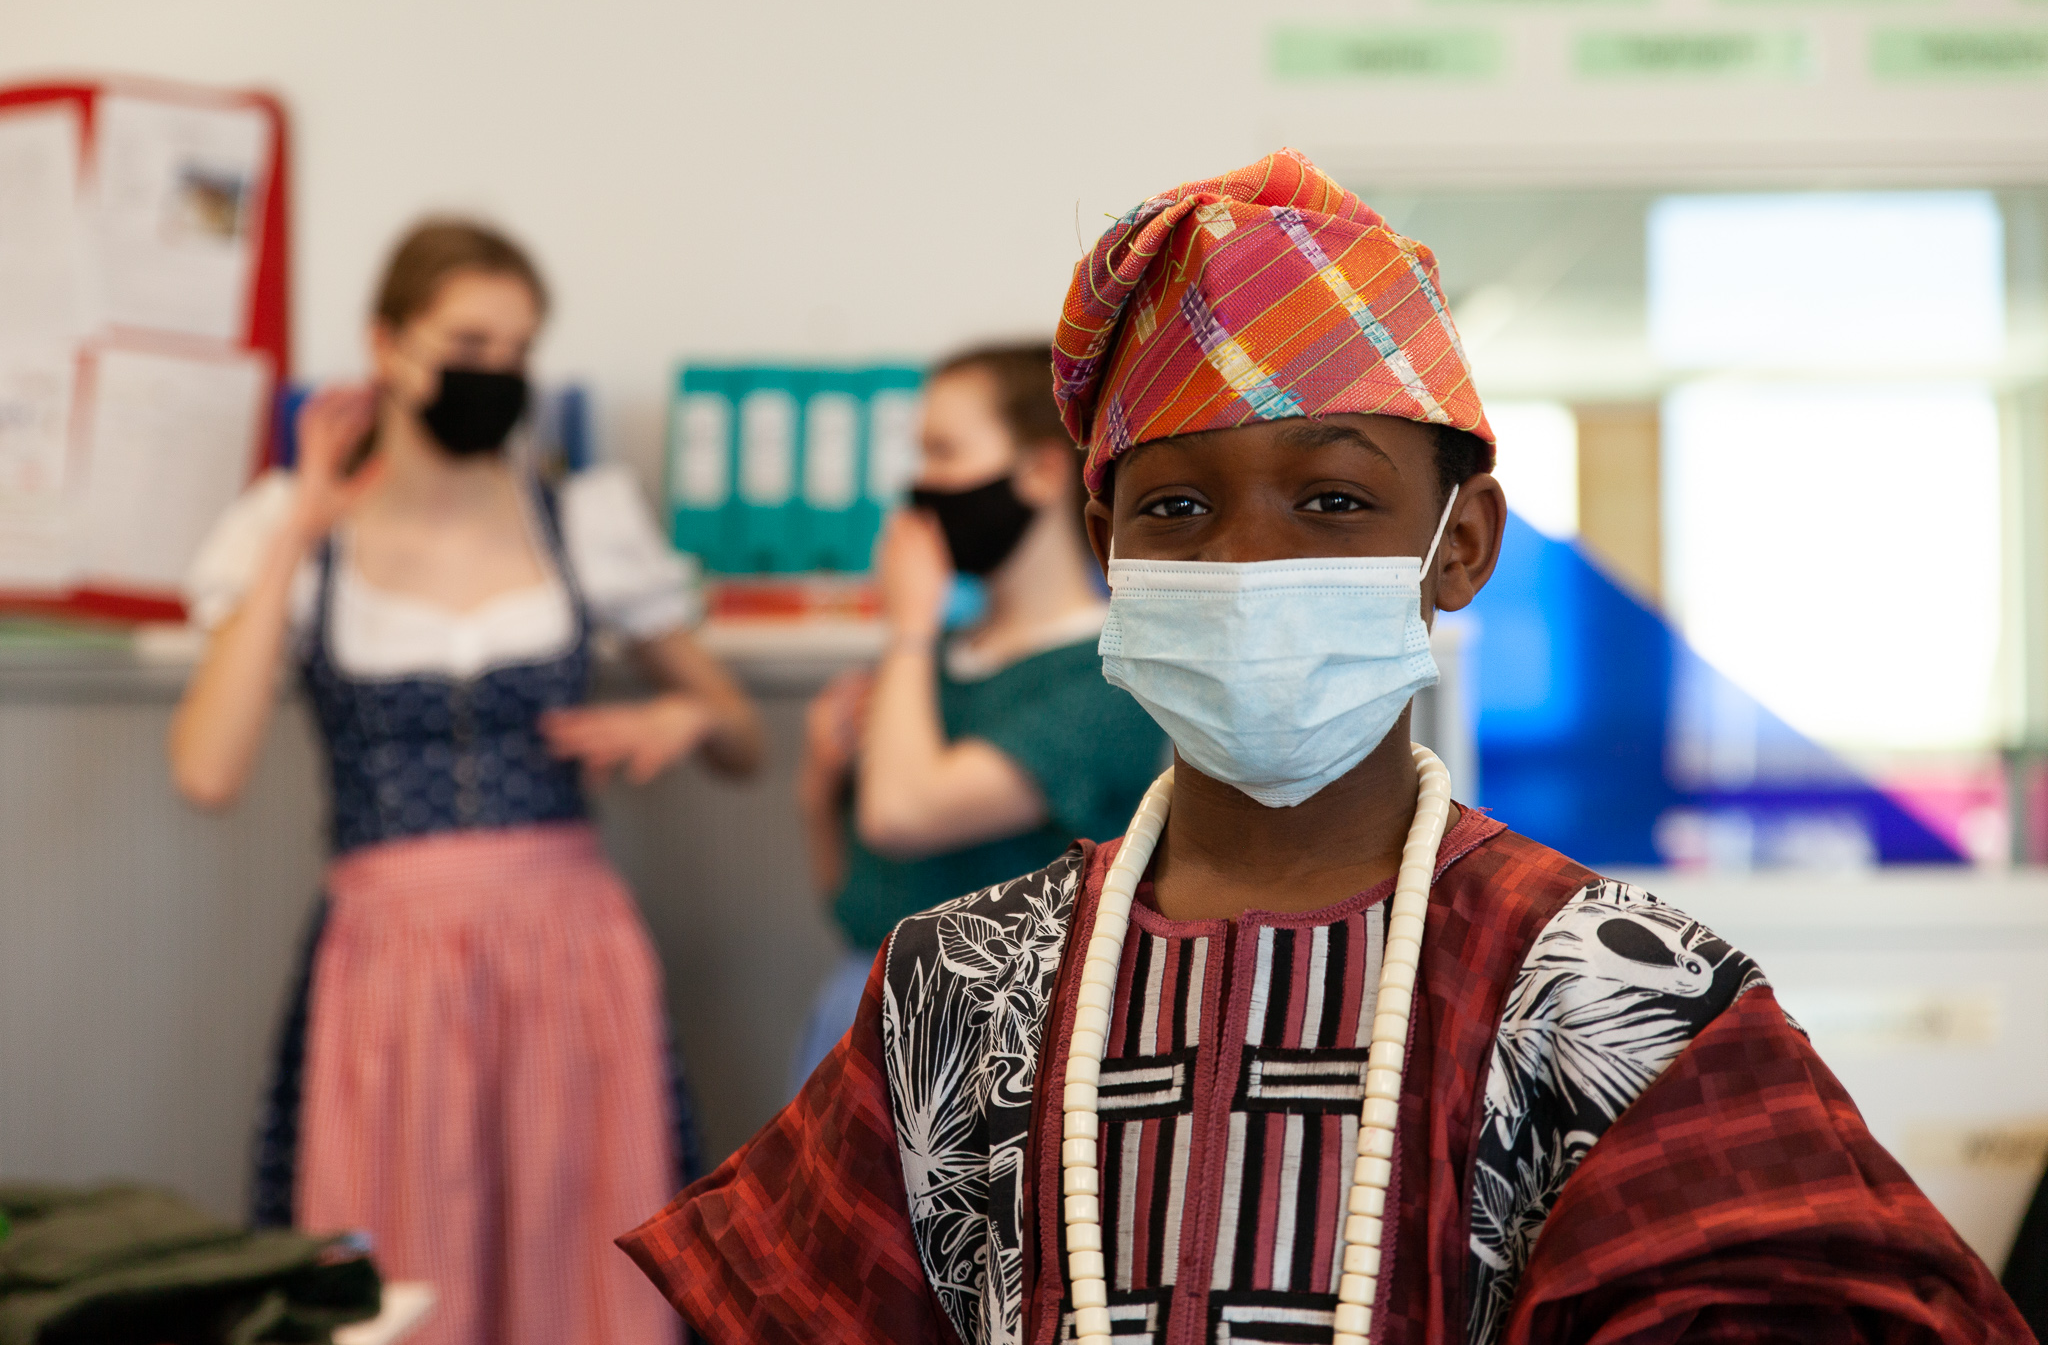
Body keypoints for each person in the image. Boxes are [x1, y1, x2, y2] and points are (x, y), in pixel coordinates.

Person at [617, 152, 2029, 1344]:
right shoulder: (960, 987)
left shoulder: (1623, 998)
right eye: (1175, 511)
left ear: (1458, 545)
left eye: (1336, 500)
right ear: (1108, 549)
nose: (1247, 557)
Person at [171, 219, 764, 1345]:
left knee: (580, 1268)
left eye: (518, 347)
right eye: (467, 340)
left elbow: (742, 736)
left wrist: (681, 717)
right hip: (385, 965)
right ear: (385, 345)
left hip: (570, 950)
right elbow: (207, 769)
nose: (494, 370)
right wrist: (298, 525)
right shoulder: (291, 535)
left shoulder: (581, 520)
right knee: (396, 1255)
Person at [790, 343, 1167, 1087]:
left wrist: (906, 627)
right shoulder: (928, 665)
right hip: (859, 1020)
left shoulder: (1109, 678)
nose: (920, 487)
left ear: (1039, 471)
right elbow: (858, 901)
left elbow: (903, 813)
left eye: (944, 452)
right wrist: (817, 780)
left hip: (994, 1045)